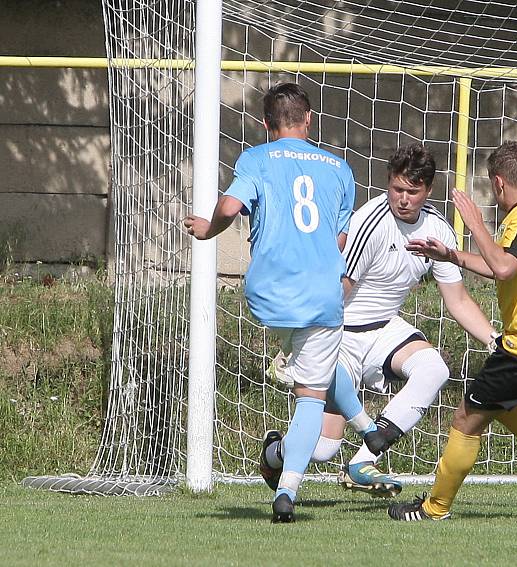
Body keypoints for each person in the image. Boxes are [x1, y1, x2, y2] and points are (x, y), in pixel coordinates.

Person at [183, 82, 386, 523]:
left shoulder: (255, 158)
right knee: (311, 396)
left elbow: (230, 204)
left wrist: (207, 230)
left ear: (265, 124)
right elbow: (338, 236)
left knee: (319, 361)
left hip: (267, 297)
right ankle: (287, 490)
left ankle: (369, 430)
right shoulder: (338, 168)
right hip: (319, 295)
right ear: (309, 119)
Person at [262, 142, 498, 498]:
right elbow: (339, 289)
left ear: (427, 191)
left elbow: (459, 299)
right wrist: (303, 338)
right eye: (396, 188)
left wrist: (494, 340)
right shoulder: (368, 222)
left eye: (412, 192)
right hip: (339, 334)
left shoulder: (439, 230)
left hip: (385, 329)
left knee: (434, 369)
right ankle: (275, 453)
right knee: (324, 448)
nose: (402, 198)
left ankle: (363, 460)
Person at [388, 141, 517, 521]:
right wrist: (450, 255)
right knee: (501, 405)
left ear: (498, 183)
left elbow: (504, 268)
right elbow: (501, 262)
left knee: (467, 416)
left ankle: (434, 508)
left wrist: (475, 223)